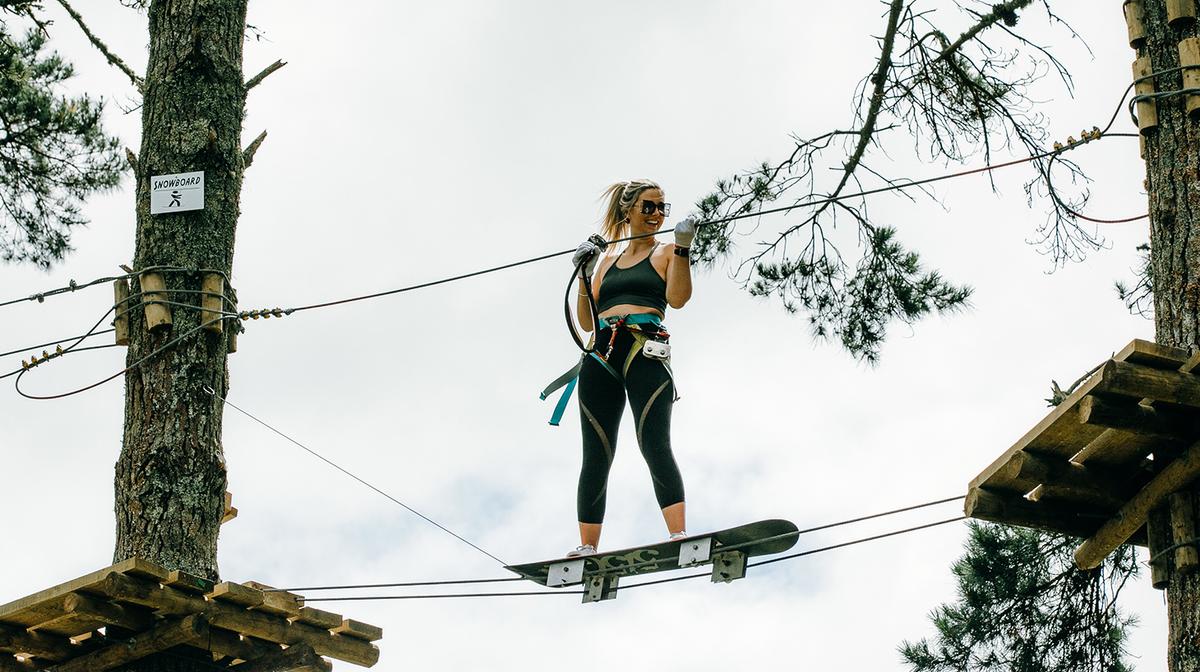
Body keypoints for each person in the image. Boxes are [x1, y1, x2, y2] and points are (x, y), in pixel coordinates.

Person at [566, 179, 696, 557]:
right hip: (602, 353)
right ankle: (587, 545)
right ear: (629, 211)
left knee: (653, 442)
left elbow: (677, 298)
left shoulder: (667, 252)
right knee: (596, 452)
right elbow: (587, 322)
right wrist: (585, 275)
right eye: (649, 207)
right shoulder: (605, 262)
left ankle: (678, 534)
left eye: (662, 208)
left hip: (643, 348)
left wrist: (685, 249)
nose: (657, 214)